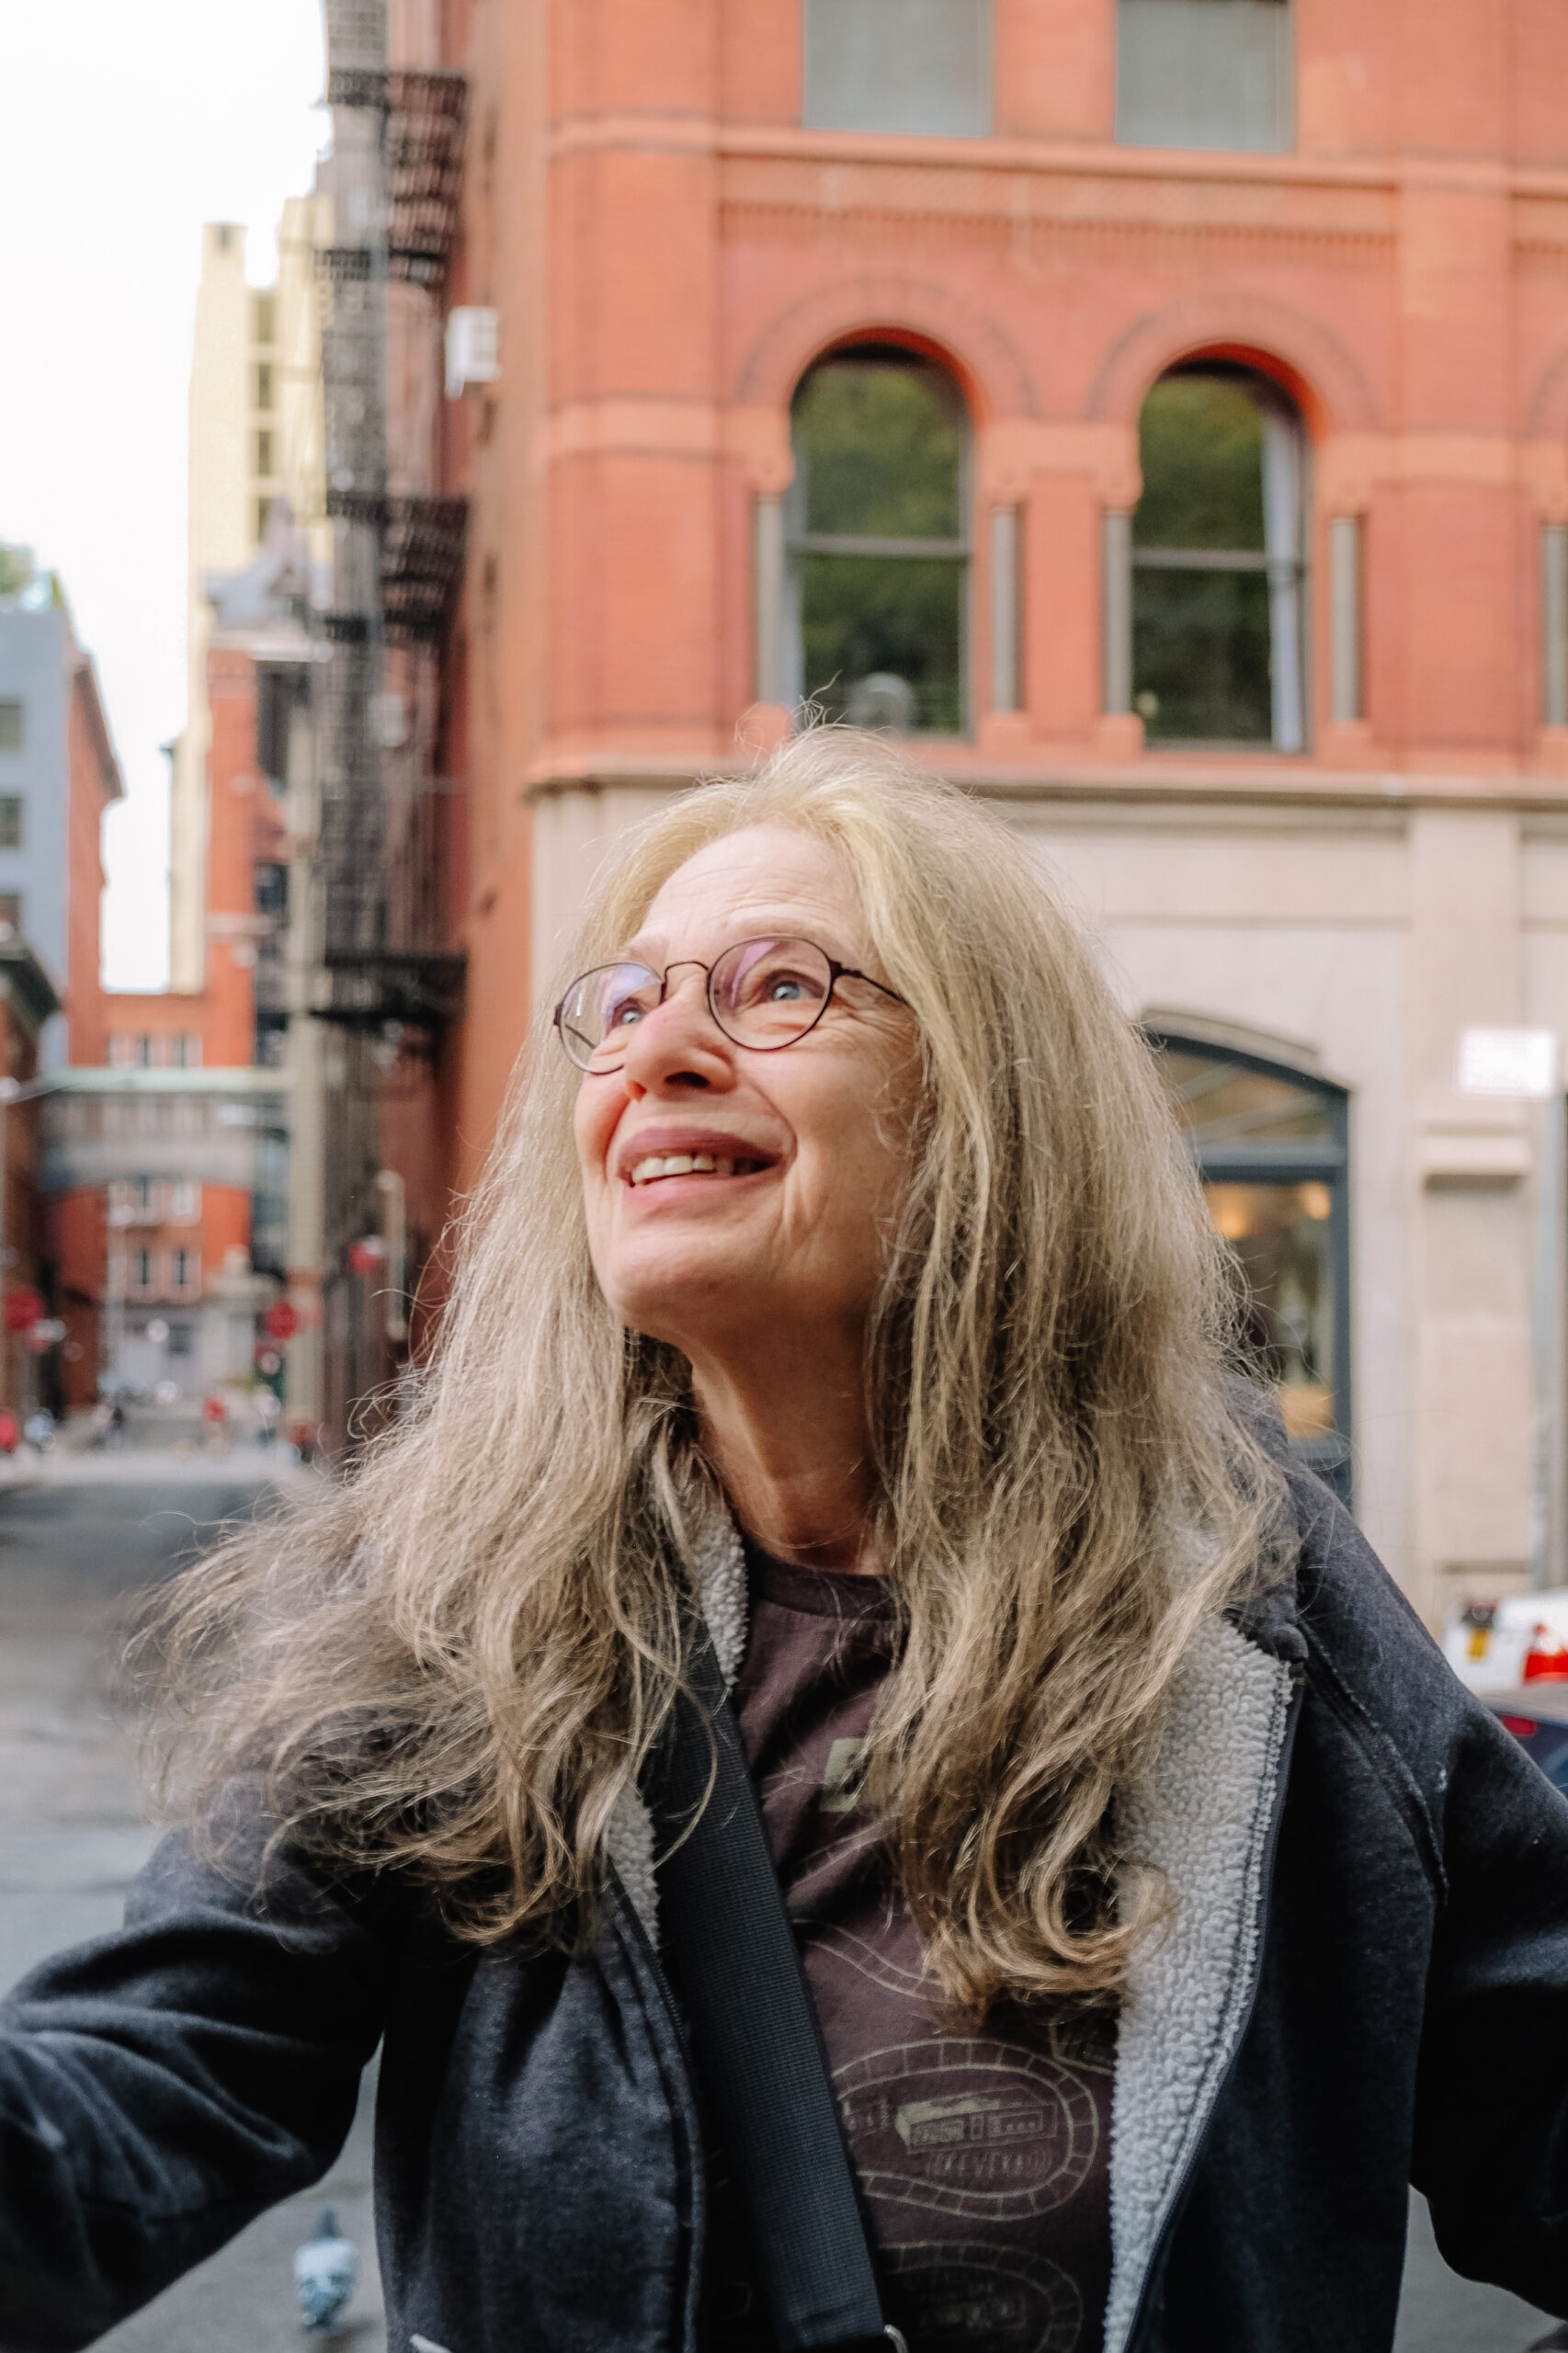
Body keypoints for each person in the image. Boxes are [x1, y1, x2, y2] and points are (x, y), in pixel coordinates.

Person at [2, 729, 1567, 2353]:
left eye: (773, 988)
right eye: (624, 1004)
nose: (658, 1047)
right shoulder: (441, 1599)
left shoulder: (1245, 1594)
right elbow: (153, 2075)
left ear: (979, 1103)